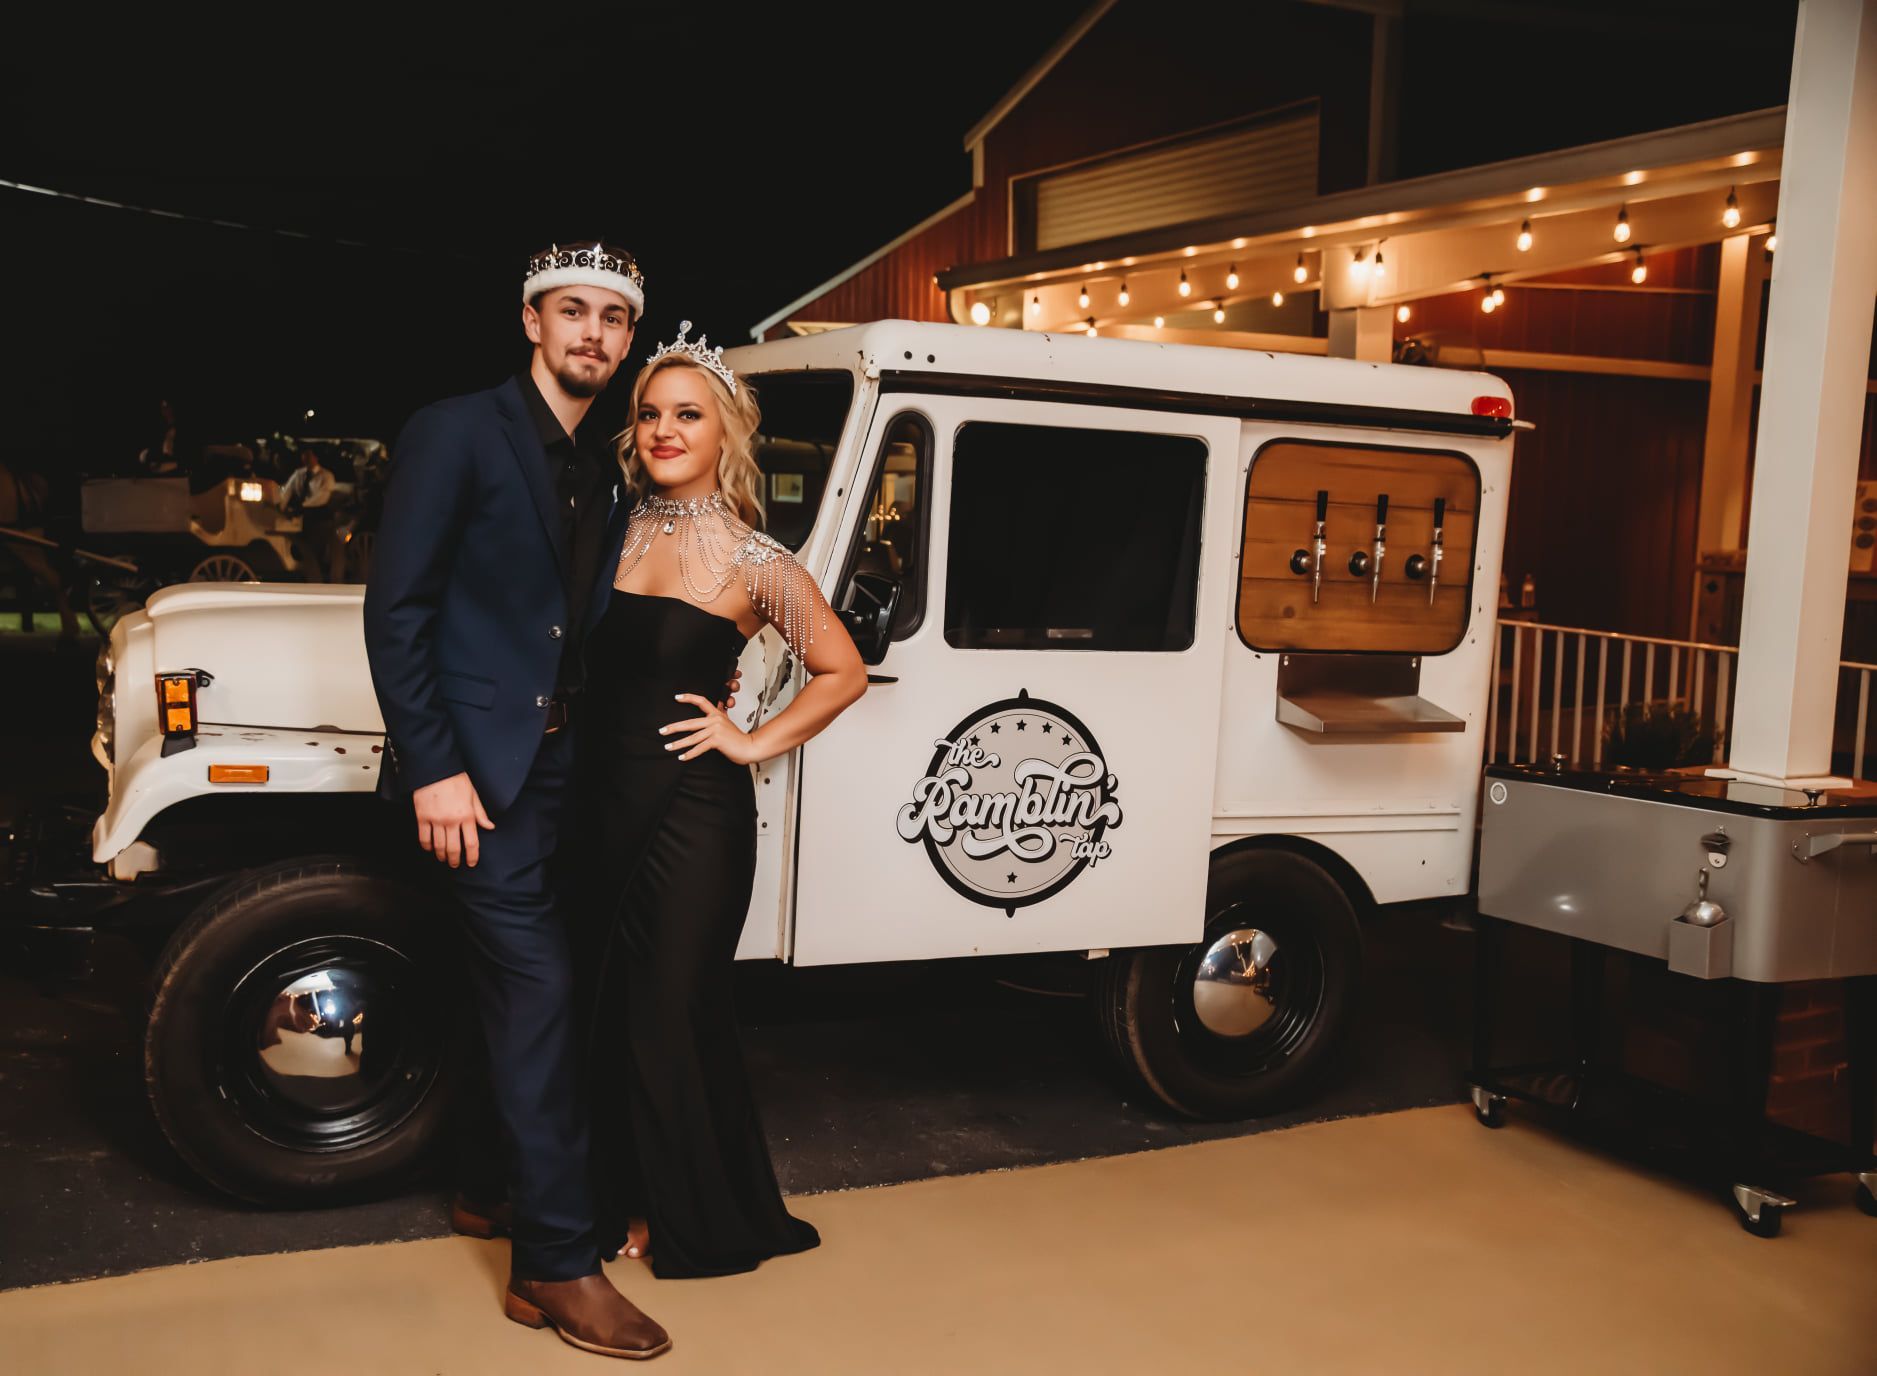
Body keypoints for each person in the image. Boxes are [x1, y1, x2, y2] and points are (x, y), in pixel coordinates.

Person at [365, 241, 726, 1362]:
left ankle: (487, 1189)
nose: (594, 336)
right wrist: (433, 763)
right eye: (573, 313)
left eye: (613, 321)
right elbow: (398, 609)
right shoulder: (457, 430)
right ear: (531, 321)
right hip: (474, 779)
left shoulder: (605, 470)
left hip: (565, 775)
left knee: (544, 997)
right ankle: (556, 1266)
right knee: (540, 997)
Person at [576, 323, 867, 1277]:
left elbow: (841, 671)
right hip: (598, 802)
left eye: (686, 414)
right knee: (608, 1010)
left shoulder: (754, 561)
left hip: (693, 817)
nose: (664, 429)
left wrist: (747, 739)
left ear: (723, 433)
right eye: (650, 414)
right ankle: (611, 1194)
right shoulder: (604, 529)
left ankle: (678, 1214)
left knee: (669, 1011)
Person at [279, 447, 340, 580]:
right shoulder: (299, 474)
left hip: (319, 516)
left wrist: (302, 507)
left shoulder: (326, 476)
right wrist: (281, 507)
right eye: (303, 454)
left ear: (316, 457)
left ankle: (316, 573)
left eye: (308, 455)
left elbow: (321, 497)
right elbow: (287, 492)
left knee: (314, 543)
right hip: (301, 516)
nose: (305, 458)